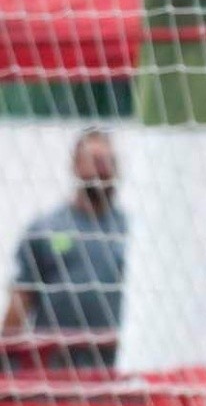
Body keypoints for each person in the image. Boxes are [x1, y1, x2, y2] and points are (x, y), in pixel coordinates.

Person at [1, 127, 126, 370]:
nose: (102, 168)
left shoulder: (130, 231)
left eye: (109, 161)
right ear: (75, 165)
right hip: (51, 369)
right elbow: (21, 300)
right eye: (95, 160)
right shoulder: (45, 229)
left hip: (108, 369)